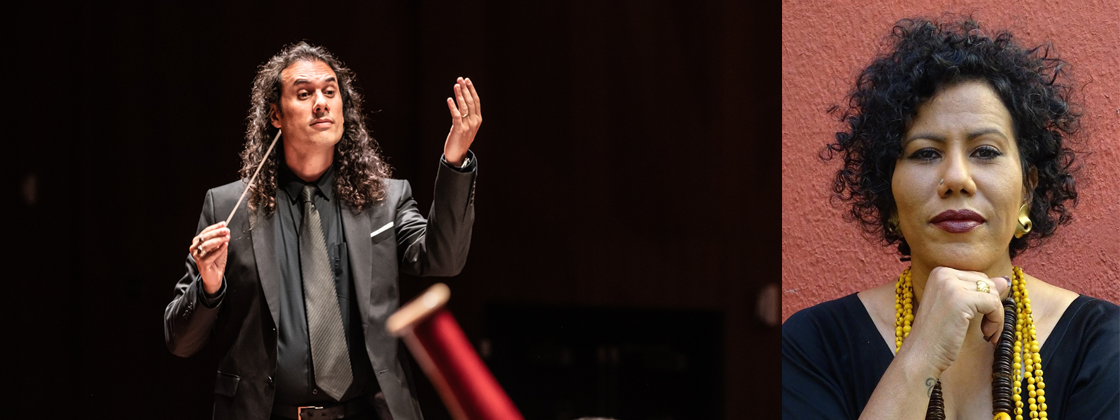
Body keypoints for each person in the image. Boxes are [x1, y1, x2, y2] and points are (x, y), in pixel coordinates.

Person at [782, 17, 1120, 419]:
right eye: (925, 153)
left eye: (986, 151)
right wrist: (922, 352)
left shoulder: (1102, 343)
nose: (957, 179)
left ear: (1028, 189)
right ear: (888, 195)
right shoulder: (813, 344)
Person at [164, 42, 482, 420]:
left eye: (330, 92)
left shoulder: (386, 199)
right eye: (304, 93)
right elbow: (180, 342)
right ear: (275, 115)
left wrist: (455, 160)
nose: (321, 102)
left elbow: (443, 258)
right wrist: (210, 288)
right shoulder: (229, 208)